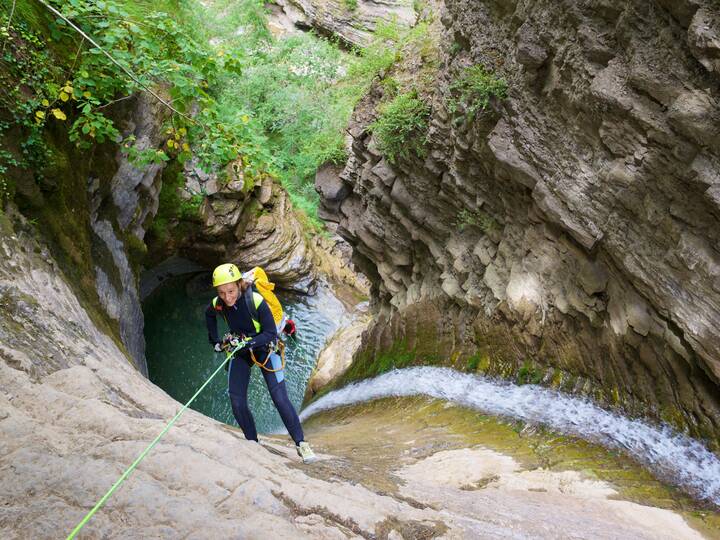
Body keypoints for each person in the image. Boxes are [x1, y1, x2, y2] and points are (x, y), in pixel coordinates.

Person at [205, 263, 317, 463]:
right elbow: (209, 314)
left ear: (239, 284)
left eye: (230, 291)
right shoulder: (218, 303)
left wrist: (248, 343)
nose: (227, 297)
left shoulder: (255, 301)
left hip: (265, 347)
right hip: (241, 350)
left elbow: (270, 334)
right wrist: (215, 342)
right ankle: (252, 444)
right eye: (221, 293)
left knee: (279, 398)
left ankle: (301, 444)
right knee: (236, 400)